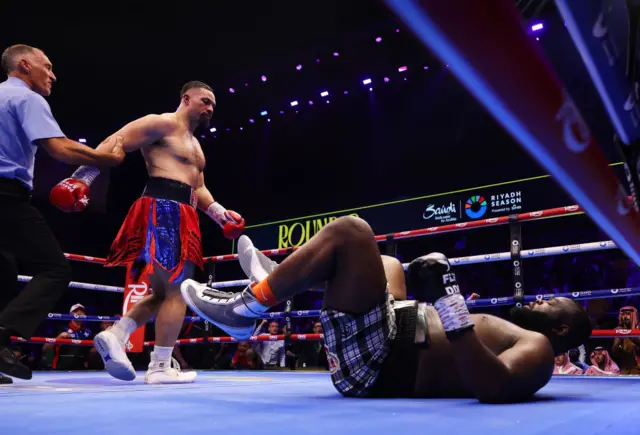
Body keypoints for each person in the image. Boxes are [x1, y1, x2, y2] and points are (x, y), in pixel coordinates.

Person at [180, 217, 593, 402]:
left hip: (383, 364)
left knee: (353, 231)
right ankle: (282, 281)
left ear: (560, 329)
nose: (541, 298)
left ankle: (246, 308)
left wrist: (448, 302)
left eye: (551, 303)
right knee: (389, 264)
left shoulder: (538, 350)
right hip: (390, 333)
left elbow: (494, 385)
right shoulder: (522, 332)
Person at [90, 81, 246, 384]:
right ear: (186, 99)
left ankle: (117, 333)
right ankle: (160, 366)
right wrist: (83, 177)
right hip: (164, 207)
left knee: (162, 292)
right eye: (205, 101)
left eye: (213, 104)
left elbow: (197, 187)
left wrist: (220, 214)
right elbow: (116, 141)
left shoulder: (195, 145)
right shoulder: (162, 123)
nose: (210, 108)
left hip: (182, 211)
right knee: (178, 291)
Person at [0, 44, 125, 381]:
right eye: (48, 66)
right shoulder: (26, 98)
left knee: (4, 272)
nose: (53, 75)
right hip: (5, 195)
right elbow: (59, 147)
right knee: (54, 269)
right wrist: (106, 161)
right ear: (24, 65)